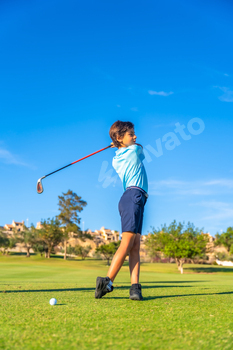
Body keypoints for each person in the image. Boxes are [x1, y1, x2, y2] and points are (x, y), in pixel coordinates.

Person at [95, 120, 148, 301]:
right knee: (127, 244)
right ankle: (107, 281)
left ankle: (135, 288)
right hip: (133, 196)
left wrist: (118, 144)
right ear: (119, 137)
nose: (135, 137)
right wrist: (120, 144)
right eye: (131, 134)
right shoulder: (134, 150)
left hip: (134, 198)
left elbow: (126, 146)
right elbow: (140, 148)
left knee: (135, 246)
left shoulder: (116, 157)